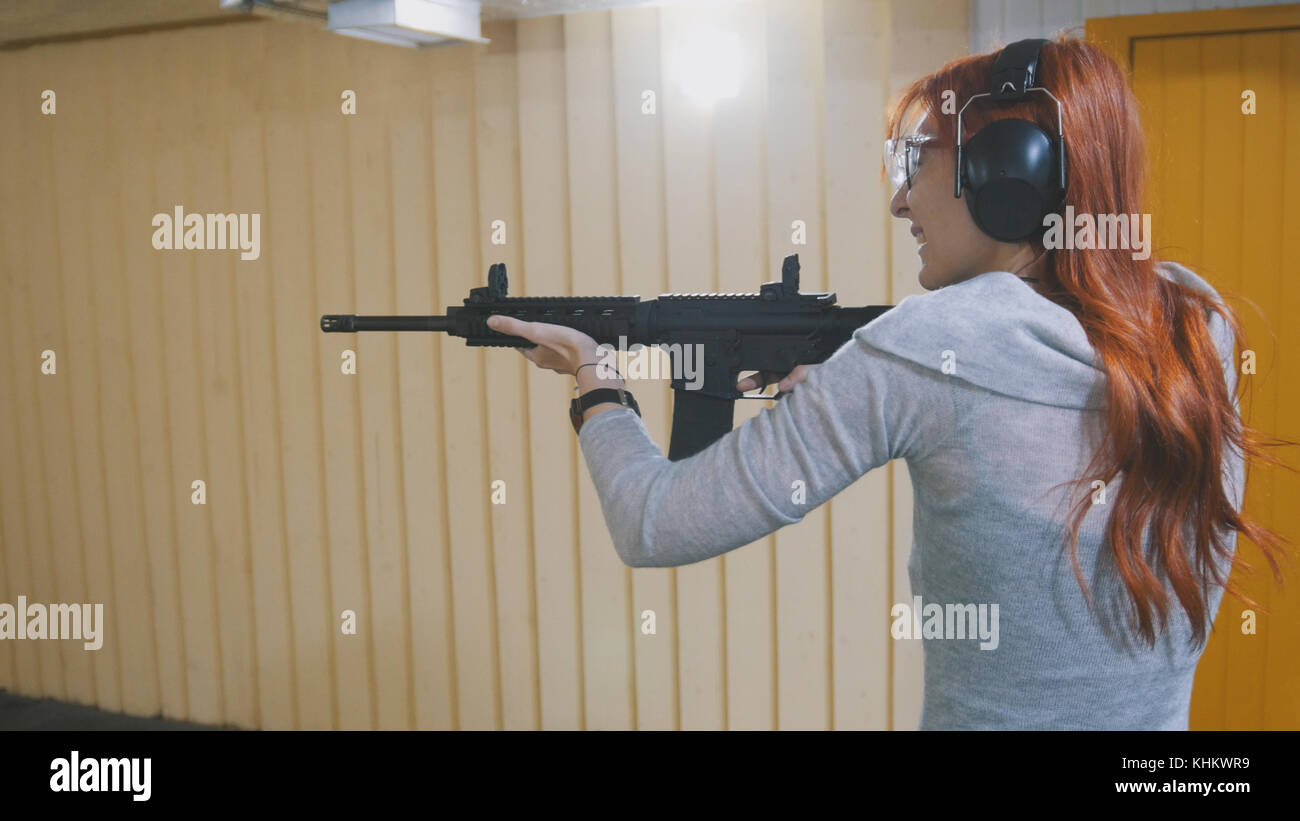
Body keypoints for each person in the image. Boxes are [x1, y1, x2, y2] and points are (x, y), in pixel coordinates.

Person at [484, 35, 1292, 729]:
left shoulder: (925, 342)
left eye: (918, 160)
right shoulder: (1198, 327)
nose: (901, 199)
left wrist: (595, 381)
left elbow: (654, 522)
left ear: (1007, 172)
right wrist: (862, 387)